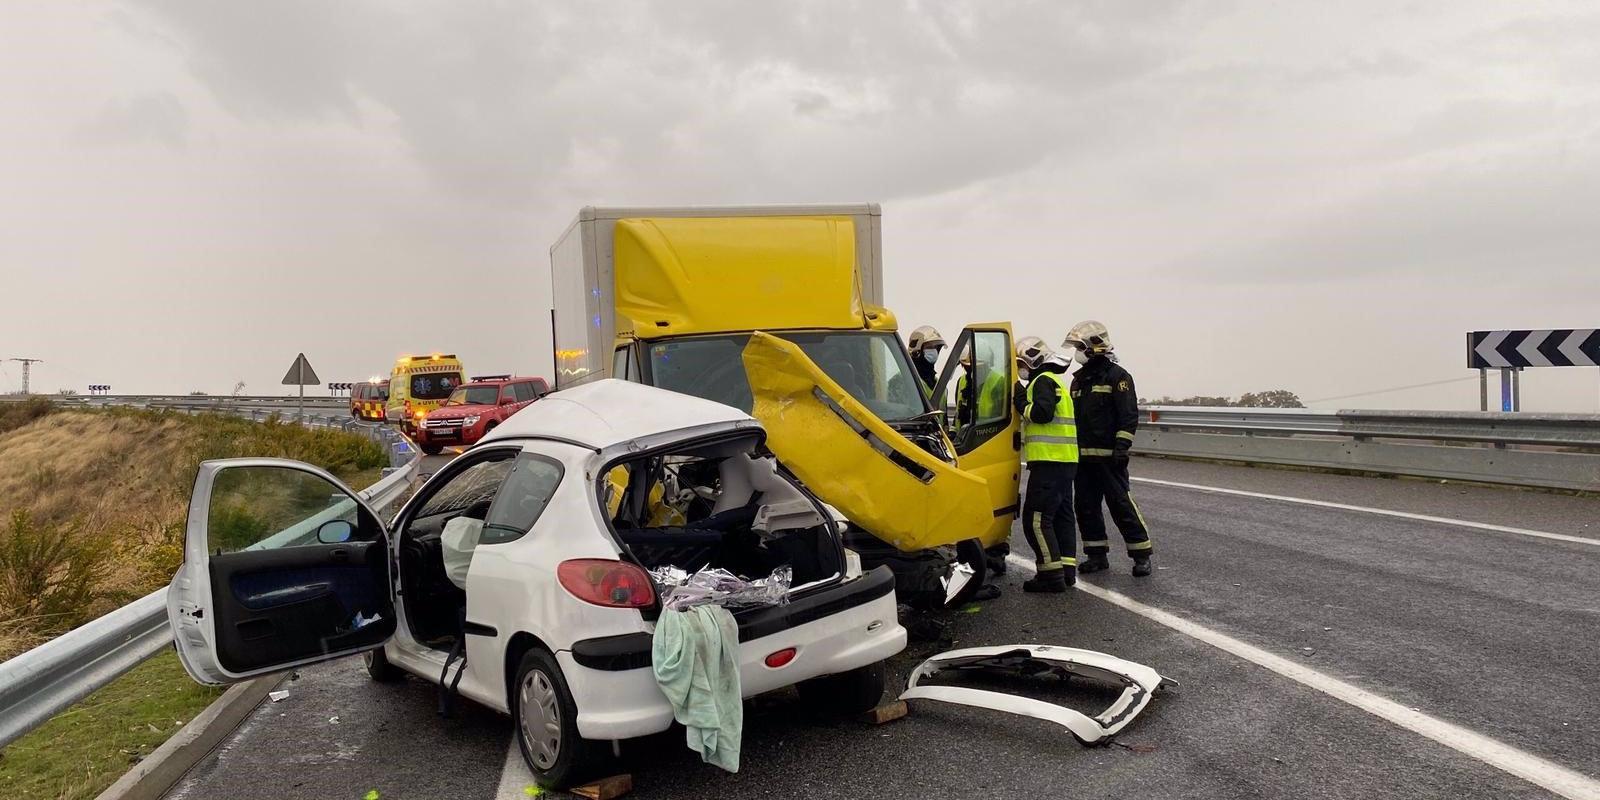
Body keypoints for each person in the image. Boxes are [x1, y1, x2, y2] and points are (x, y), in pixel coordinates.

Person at [1065, 320, 1154, 577]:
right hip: (1083, 458)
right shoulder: (1078, 381)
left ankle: (1141, 555)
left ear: (1094, 347)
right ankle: (1096, 555)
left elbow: (1128, 415)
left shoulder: (1118, 377)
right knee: (1085, 507)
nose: (1077, 353)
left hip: (1109, 457)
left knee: (1121, 505)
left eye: (1080, 347)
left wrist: (1122, 447)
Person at [1013, 336, 1078, 593]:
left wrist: (1020, 402)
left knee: (1036, 520)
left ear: (1033, 360)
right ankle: (1067, 570)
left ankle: (1051, 576)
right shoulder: (1056, 381)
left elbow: (1042, 414)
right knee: (1062, 516)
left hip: (1049, 461)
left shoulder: (1041, 381)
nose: (1020, 369)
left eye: (1021, 363)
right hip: (1065, 461)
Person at [907, 325, 945, 397]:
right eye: (930, 347)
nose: (934, 351)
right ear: (917, 351)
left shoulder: (938, 383)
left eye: (936, 347)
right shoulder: (903, 379)